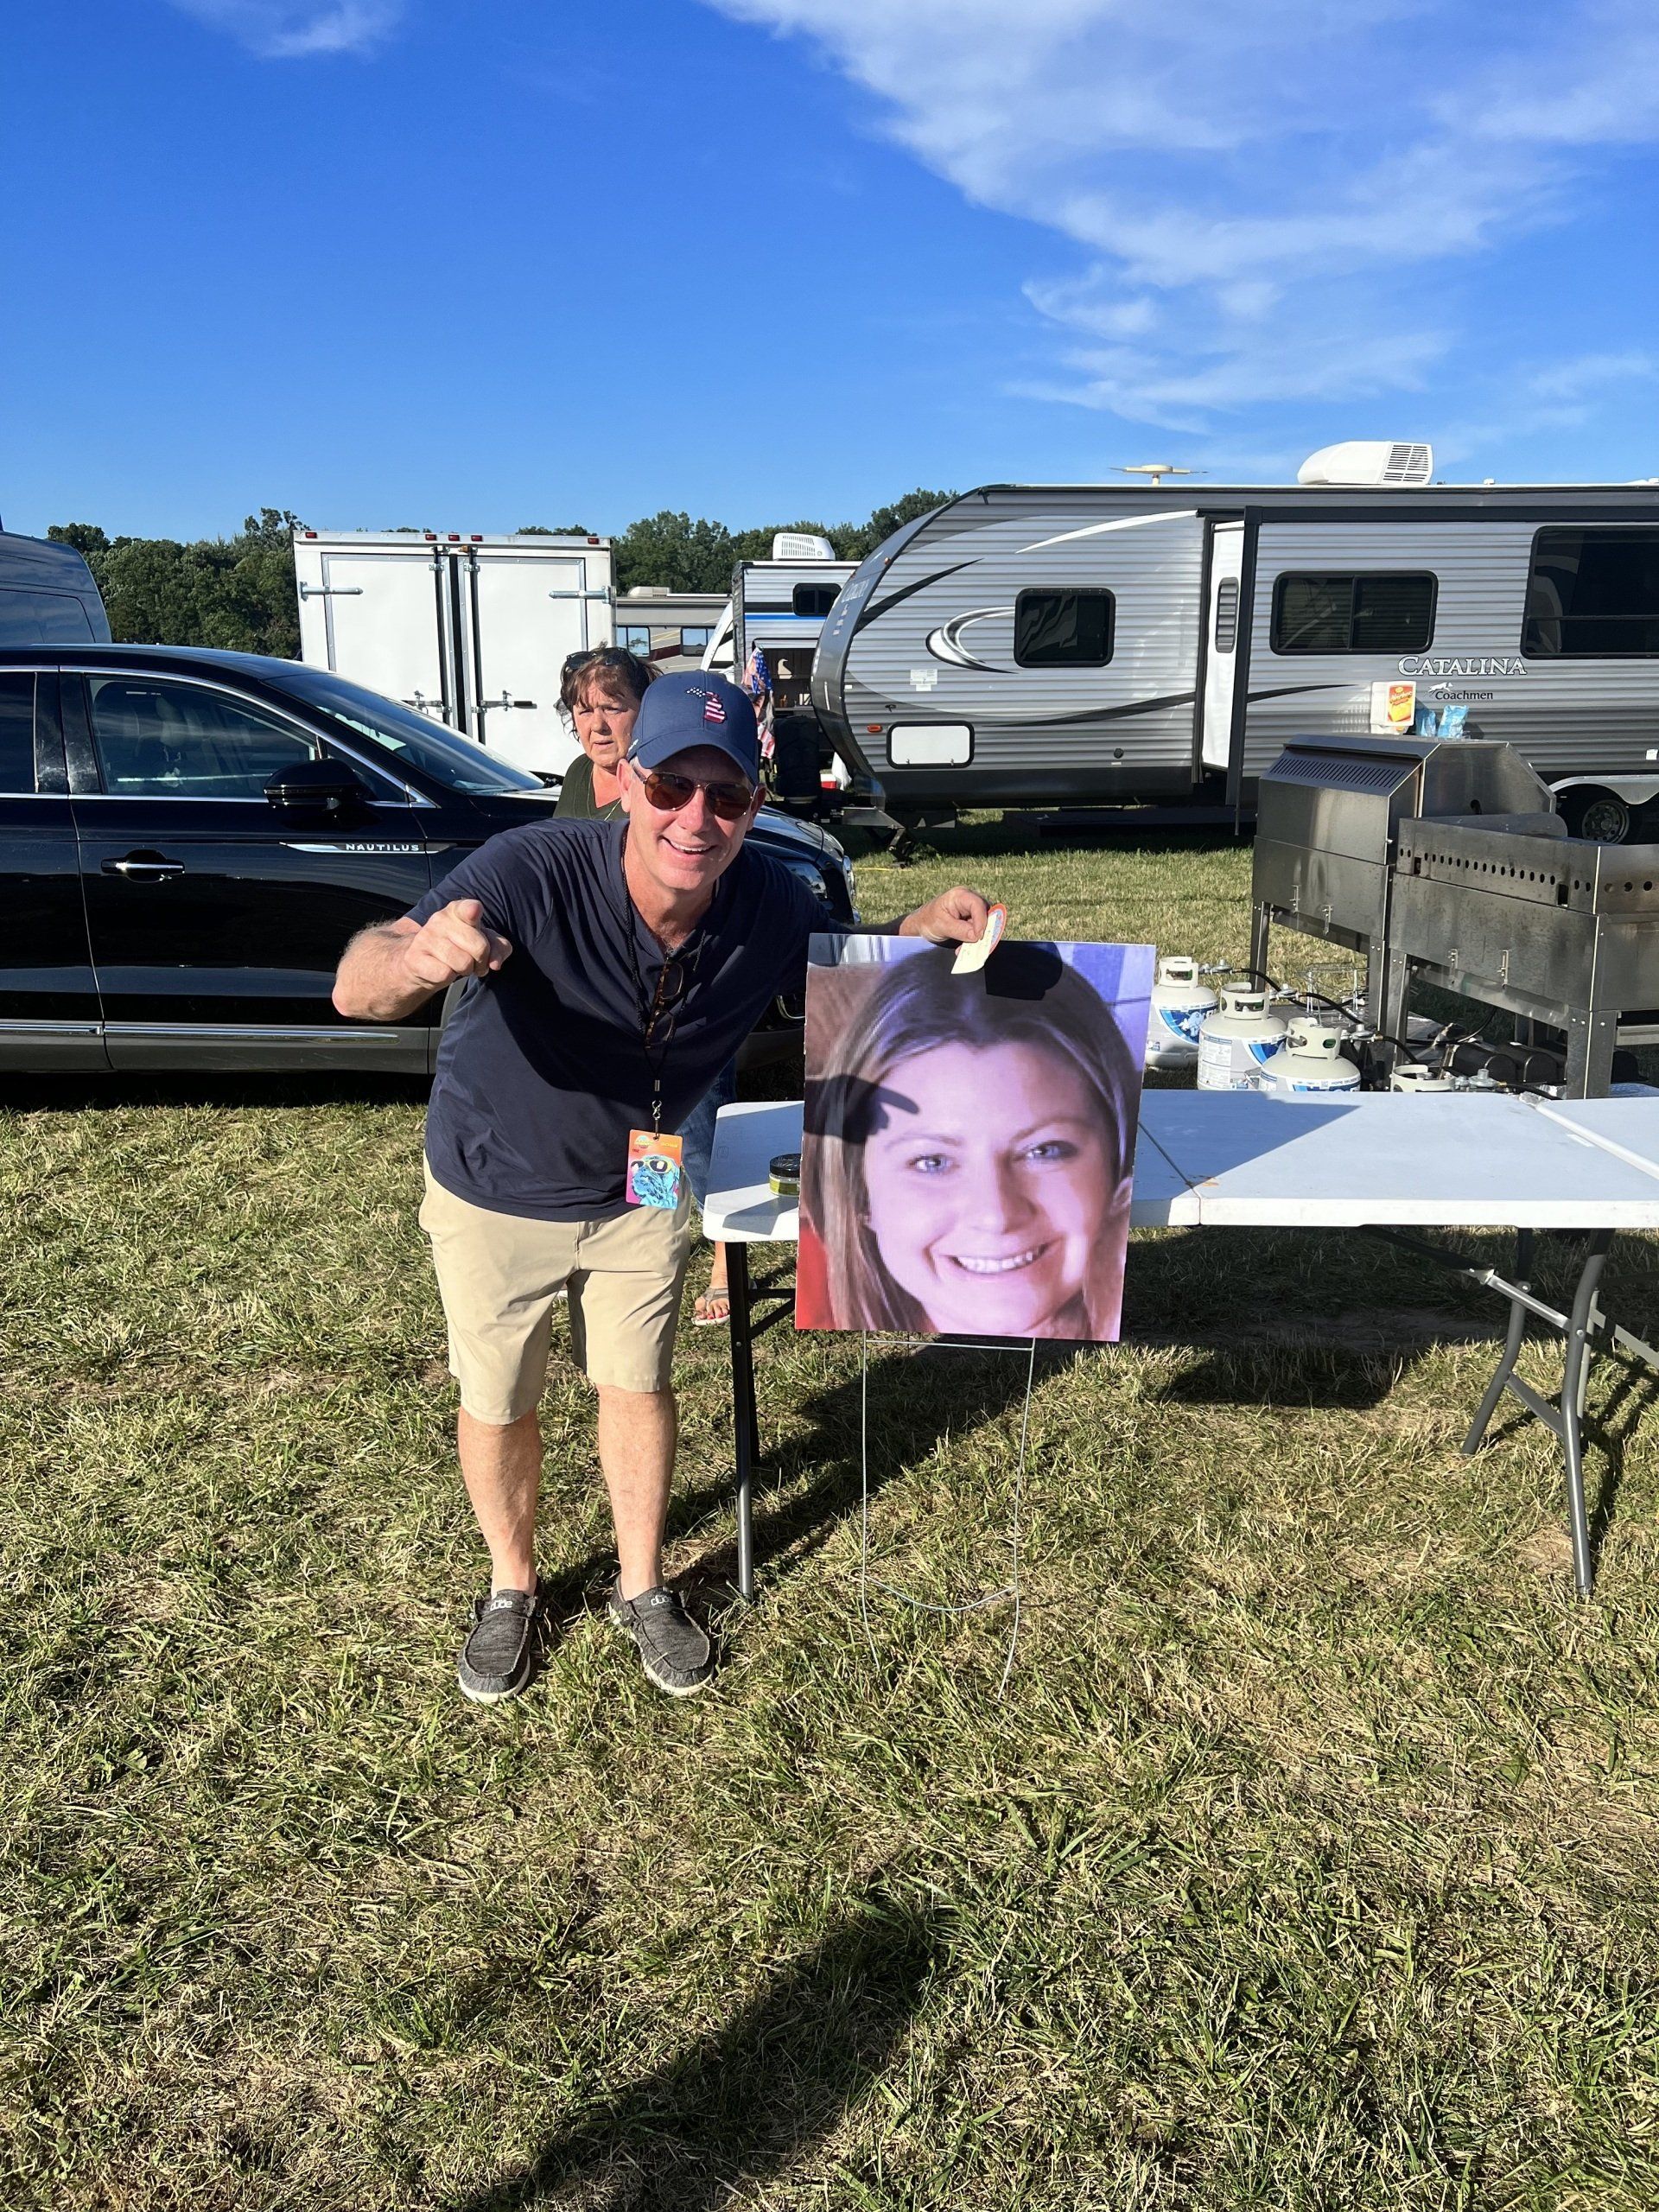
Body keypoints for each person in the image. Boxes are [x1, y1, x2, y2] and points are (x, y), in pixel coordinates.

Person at [331, 671, 990, 1703]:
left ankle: (643, 1586)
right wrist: (420, 955)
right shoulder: (529, 866)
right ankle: (512, 1588)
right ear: (628, 783)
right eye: (673, 787)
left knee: (637, 1383)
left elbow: (835, 969)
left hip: (646, 1174)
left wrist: (922, 927)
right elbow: (355, 983)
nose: (697, 817)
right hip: (500, 1179)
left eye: (725, 797)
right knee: (500, 1398)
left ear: (755, 807)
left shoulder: (772, 895)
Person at [799, 944, 1139, 1341]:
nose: (996, 1215)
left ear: (1117, 1163)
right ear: (861, 1195)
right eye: (932, 1161)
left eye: (1043, 1151)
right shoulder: (814, 1297)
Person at [557, 645, 734, 1323]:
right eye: (584, 709)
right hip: (603, 998)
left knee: (699, 1124)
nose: (598, 724)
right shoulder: (578, 781)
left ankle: (724, 1259)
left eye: (614, 707)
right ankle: (663, 1237)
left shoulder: (671, 785)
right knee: (638, 1131)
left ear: (647, 712)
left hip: (679, 990)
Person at [554, 647, 654, 822]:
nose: (597, 725)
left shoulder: (657, 784)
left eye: (611, 709)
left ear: (645, 709)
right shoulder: (579, 770)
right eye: (585, 711)